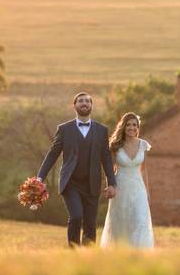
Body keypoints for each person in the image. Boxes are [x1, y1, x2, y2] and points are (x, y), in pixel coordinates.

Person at [36, 92, 117, 247]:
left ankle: (88, 257)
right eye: (80, 101)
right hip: (70, 183)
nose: (84, 103)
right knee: (76, 217)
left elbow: (106, 159)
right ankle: (73, 251)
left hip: (92, 183)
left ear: (91, 106)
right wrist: (40, 178)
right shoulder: (64, 129)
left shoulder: (101, 130)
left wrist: (111, 183)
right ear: (75, 106)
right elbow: (52, 155)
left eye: (87, 101)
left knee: (90, 224)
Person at [100, 112, 154, 249]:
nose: (131, 127)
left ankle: (140, 255)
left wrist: (147, 193)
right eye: (128, 125)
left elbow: (144, 171)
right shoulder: (115, 145)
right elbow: (109, 171)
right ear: (123, 126)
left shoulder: (143, 145)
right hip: (121, 188)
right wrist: (110, 187)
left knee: (140, 221)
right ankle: (120, 253)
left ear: (138, 127)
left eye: (134, 125)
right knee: (121, 223)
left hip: (138, 190)